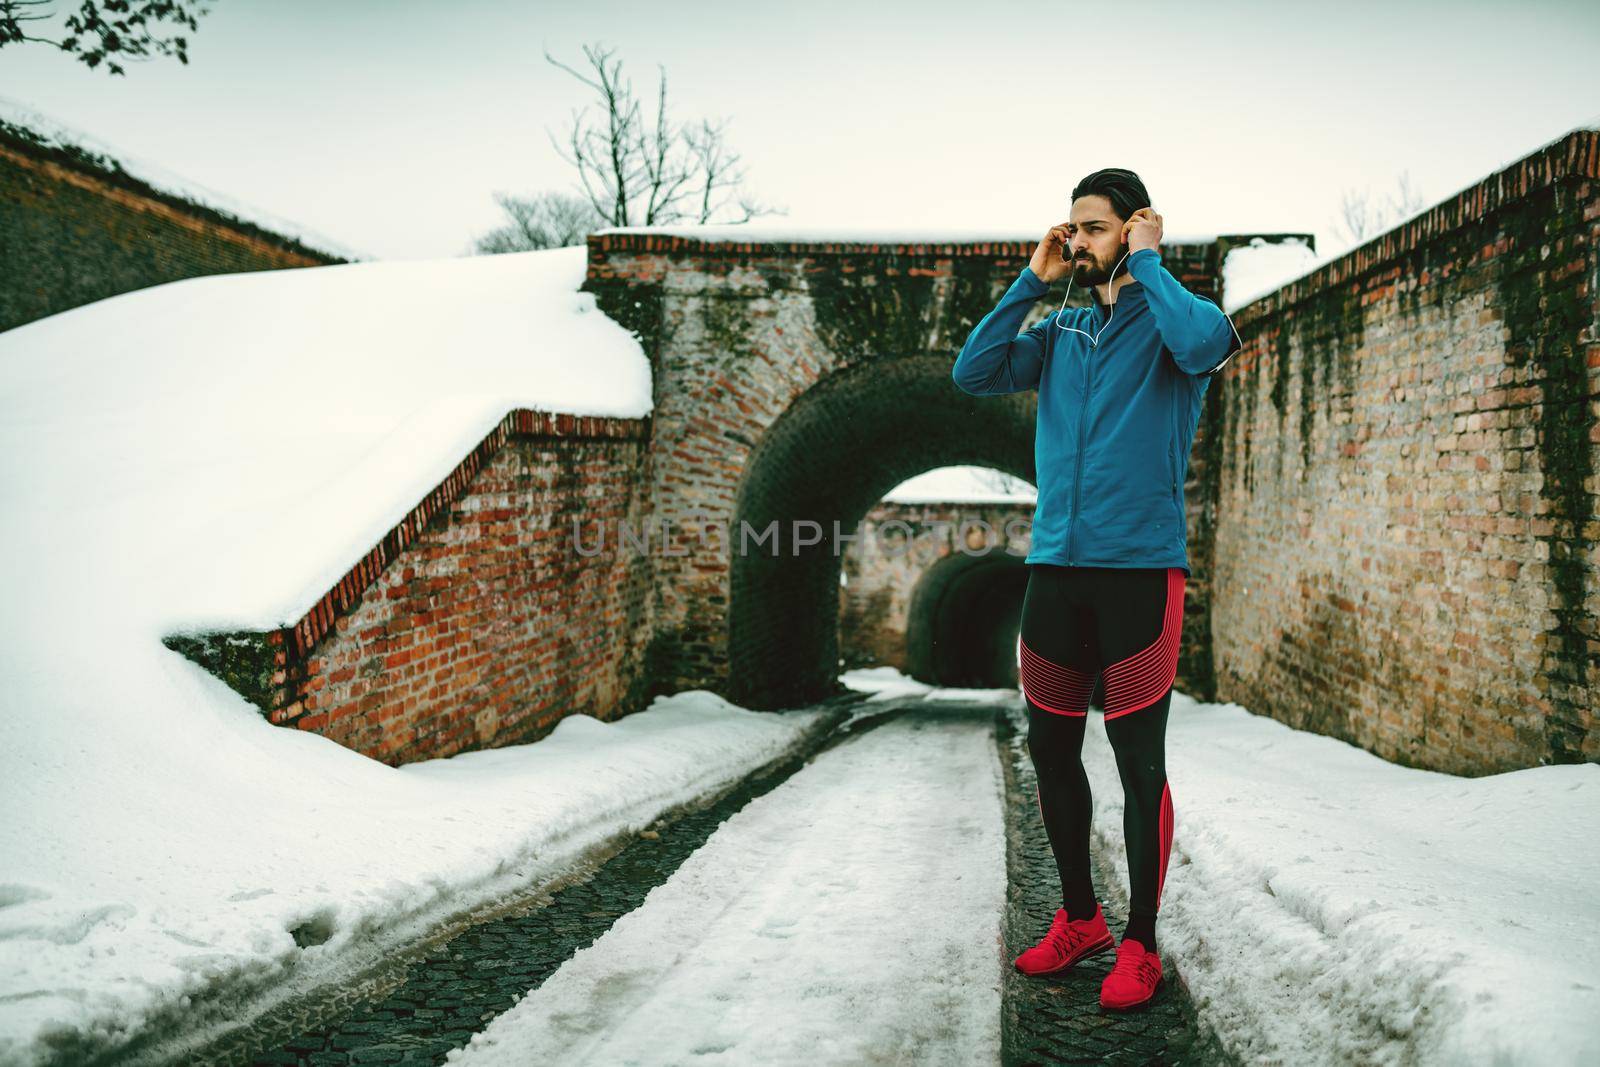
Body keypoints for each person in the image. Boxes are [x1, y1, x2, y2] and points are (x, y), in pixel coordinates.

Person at [951, 168, 1240, 1011]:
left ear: (1135, 227)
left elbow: (1204, 345)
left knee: (1137, 762)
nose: (1077, 240)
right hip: (1055, 570)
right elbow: (976, 372)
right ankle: (1080, 918)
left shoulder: (1177, 325)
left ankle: (1142, 940)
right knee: (1050, 749)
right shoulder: (1063, 330)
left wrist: (1149, 263)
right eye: (1070, 227)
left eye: (1093, 227)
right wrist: (1030, 282)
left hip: (1139, 573)